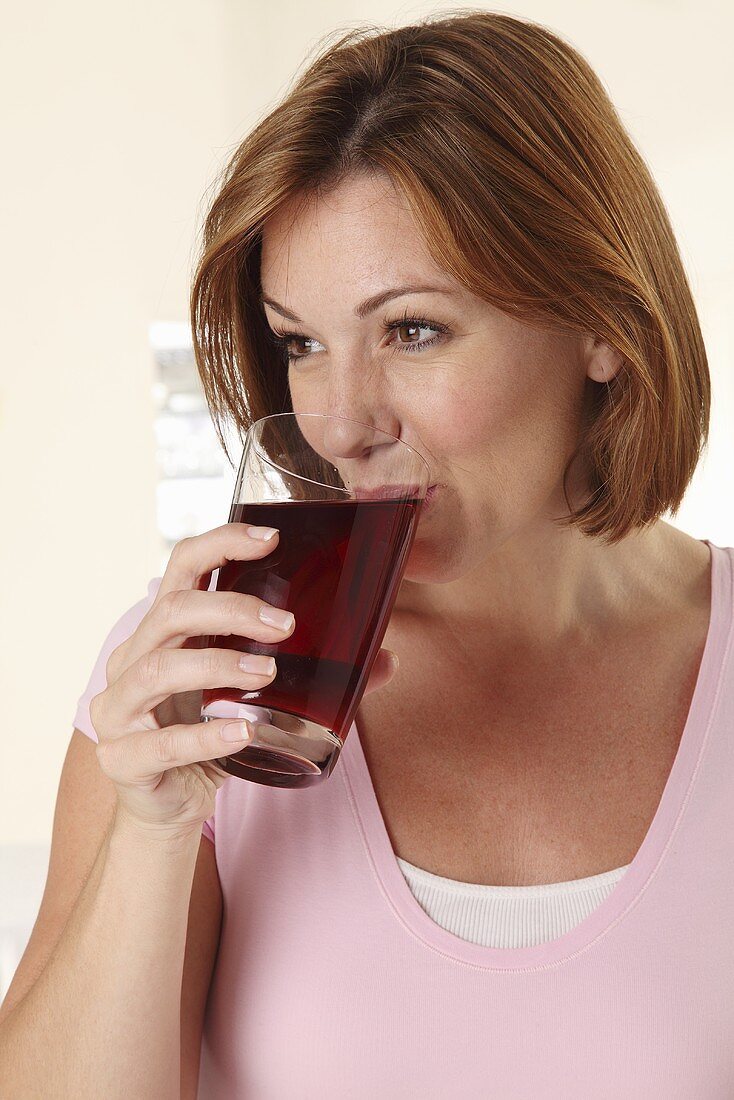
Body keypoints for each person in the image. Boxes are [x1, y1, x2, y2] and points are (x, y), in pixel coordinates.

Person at [2, 10, 732, 1098]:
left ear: (599, 324)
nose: (338, 424)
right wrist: (153, 835)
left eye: (411, 330)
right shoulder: (201, 681)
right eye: (301, 342)